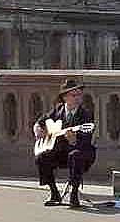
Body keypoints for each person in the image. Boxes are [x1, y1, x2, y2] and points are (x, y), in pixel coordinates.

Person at [33, 79, 96, 208]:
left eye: (79, 94)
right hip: (61, 152)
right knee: (41, 156)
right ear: (65, 97)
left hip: (81, 152)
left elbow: (86, 140)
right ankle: (54, 192)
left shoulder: (85, 115)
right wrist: (37, 129)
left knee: (75, 155)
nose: (78, 98)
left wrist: (74, 140)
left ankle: (74, 194)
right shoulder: (58, 110)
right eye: (74, 95)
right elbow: (40, 122)